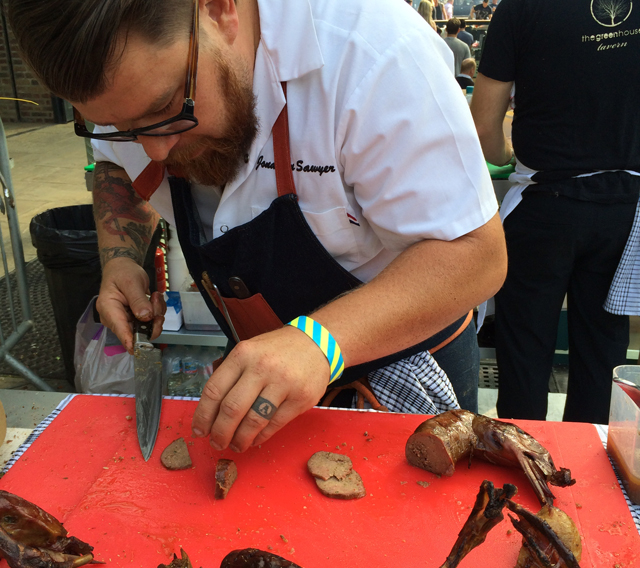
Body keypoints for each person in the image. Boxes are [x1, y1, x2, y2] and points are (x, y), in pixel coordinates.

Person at [8, 0, 505, 451]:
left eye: (165, 111)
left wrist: (319, 342)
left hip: (404, 371)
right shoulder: (137, 91)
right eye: (124, 129)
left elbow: (476, 254)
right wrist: (119, 258)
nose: (154, 150)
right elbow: (113, 165)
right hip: (258, 370)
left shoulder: (371, 54)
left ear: (221, 10)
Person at [470, 0, 640, 424]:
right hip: (624, 205)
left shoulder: (521, 7)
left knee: (524, 349)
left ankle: (521, 469)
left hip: (544, 203)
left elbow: (483, 124)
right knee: (604, 352)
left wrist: (506, 156)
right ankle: (590, 477)